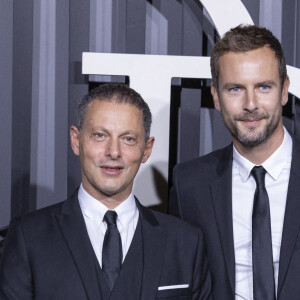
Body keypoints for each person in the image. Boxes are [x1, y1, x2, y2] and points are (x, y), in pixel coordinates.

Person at [0, 84, 211, 300]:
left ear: (146, 149)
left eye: (128, 138)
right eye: (100, 135)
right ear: (76, 140)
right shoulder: (29, 237)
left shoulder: (186, 243)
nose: (113, 152)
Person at [169, 24, 300, 300]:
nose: (250, 104)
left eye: (264, 87)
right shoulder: (189, 185)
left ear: (284, 90)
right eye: (235, 89)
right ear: (216, 96)